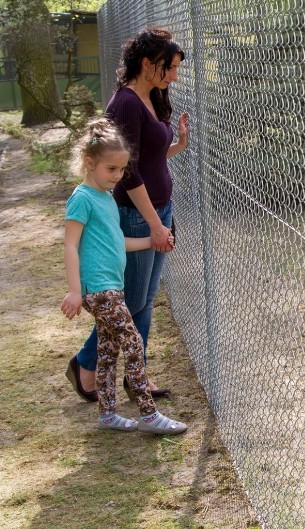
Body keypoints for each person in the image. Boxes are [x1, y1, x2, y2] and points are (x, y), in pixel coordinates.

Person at [65, 28, 189, 402]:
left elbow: (148, 159)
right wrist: (154, 224)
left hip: (158, 210)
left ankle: (137, 376)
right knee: (132, 301)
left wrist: (177, 146)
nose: (174, 76)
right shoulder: (126, 103)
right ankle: (87, 364)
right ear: (147, 63)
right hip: (138, 214)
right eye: (169, 68)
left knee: (144, 300)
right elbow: (128, 172)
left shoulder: (151, 98)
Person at [61, 118, 187, 434]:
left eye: (121, 170)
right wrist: (75, 291)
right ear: (90, 164)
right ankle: (148, 414)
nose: (118, 176)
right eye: (111, 169)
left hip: (112, 288)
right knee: (132, 342)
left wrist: (152, 241)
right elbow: (70, 244)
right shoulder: (82, 198)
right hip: (99, 290)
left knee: (108, 351)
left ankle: (107, 414)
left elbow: (118, 241)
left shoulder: (106, 198)